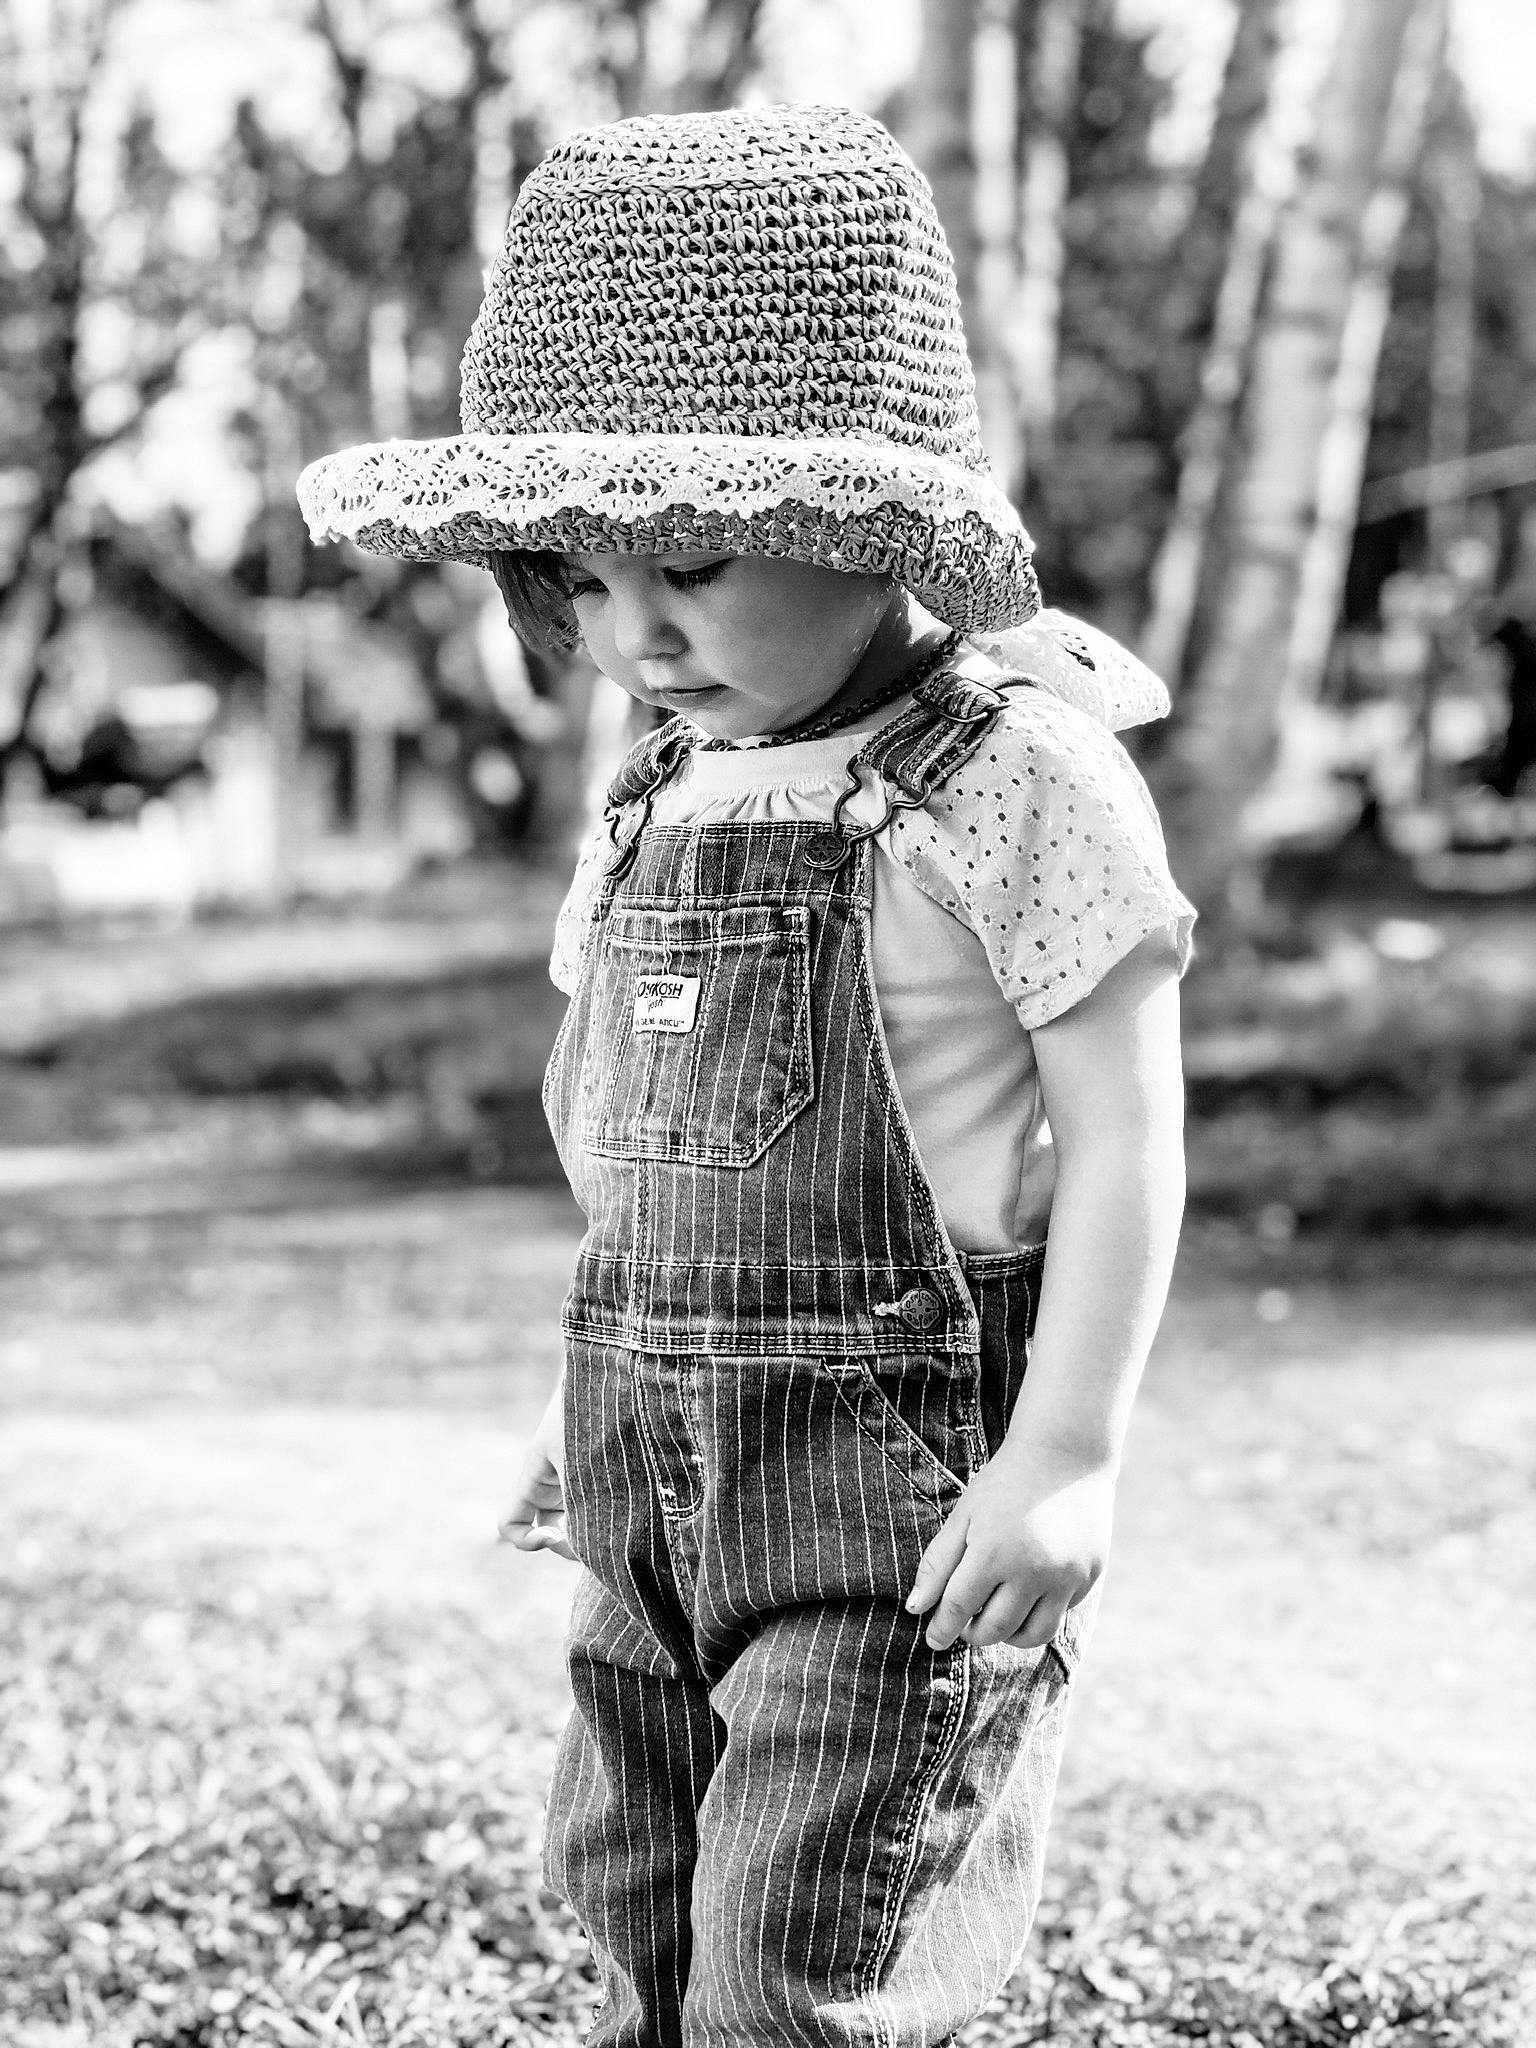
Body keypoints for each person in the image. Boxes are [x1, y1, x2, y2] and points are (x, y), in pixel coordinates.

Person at [298, 104, 1193, 2048]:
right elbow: (609, 1111)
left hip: (906, 1513)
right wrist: (594, 1400)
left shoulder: (1011, 774)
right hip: (646, 1481)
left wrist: (1071, 1451)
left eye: (693, 563)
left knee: (806, 1953)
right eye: (582, 582)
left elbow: (1125, 1131)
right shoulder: (656, 786)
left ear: (869, 528)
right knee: (635, 1903)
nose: (638, 633)